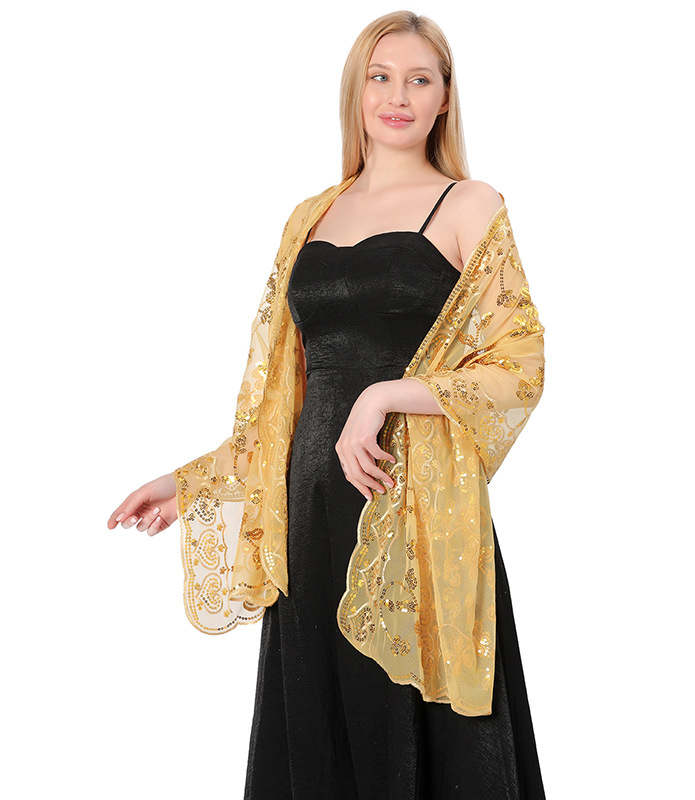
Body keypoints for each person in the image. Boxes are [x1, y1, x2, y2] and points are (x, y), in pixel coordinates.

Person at [108, 10, 547, 799]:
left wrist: (384, 396)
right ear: (355, 91)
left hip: (413, 515)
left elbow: (519, 365)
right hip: (310, 519)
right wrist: (191, 482)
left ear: (445, 97)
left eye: (419, 79)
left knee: (420, 739)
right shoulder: (310, 215)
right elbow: (284, 403)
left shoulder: (468, 204)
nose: (398, 97)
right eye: (381, 77)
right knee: (323, 745)